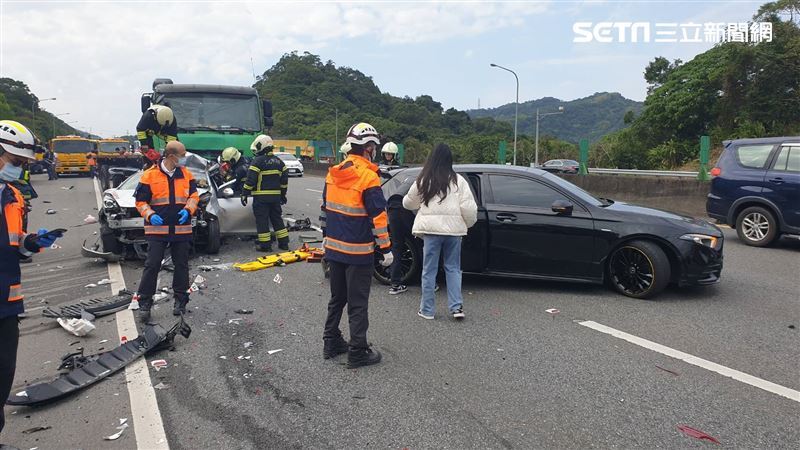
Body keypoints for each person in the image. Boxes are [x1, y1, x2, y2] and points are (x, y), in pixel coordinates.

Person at [0, 120, 63, 435]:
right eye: (15, 162)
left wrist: (32, 243)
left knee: (3, 375)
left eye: (23, 164)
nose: (20, 169)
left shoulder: (13, 196)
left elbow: (13, 245)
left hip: (7, 302)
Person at [320, 122, 392, 369]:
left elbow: (327, 209)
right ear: (369, 147)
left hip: (334, 248)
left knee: (337, 298)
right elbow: (378, 217)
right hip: (358, 251)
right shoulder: (368, 177)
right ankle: (358, 351)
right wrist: (386, 248)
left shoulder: (333, 172)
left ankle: (331, 342)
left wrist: (327, 238)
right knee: (358, 302)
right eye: (374, 147)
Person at [402, 143, 477, 321]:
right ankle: (456, 307)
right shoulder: (459, 181)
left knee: (429, 270)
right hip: (454, 232)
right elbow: (470, 209)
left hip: (431, 232)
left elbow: (407, 203)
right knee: (453, 269)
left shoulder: (423, 180)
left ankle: (427, 310)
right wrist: (466, 224)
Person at [133, 141, 199, 322]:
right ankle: (145, 303)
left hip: (181, 229)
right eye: (182, 155)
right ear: (171, 156)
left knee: (182, 265)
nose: (184, 159)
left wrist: (188, 210)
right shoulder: (149, 176)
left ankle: (180, 301)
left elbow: (194, 196)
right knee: (152, 265)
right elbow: (140, 202)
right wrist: (150, 214)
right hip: (157, 229)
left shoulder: (186, 175)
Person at [241, 135, 289, 252]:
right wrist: (282, 195)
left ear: (260, 146)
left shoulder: (257, 161)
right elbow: (284, 183)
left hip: (261, 198)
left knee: (262, 220)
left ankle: (265, 246)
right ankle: (284, 244)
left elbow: (250, 180)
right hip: (276, 198)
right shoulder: (280, 162)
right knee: (277, 219)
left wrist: (244, 193)